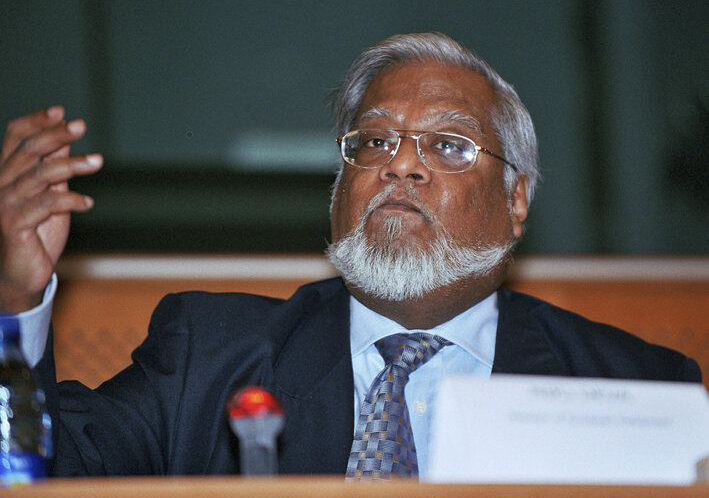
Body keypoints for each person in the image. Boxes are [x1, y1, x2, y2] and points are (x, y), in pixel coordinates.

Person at [0, 32, 701, 479]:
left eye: (448, 146)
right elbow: (37, 472)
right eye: (373, 142)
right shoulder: (206, 358)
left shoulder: (636, 387)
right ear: (341, 187)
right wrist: (14, 303)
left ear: (516, 201)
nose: (400, 167)